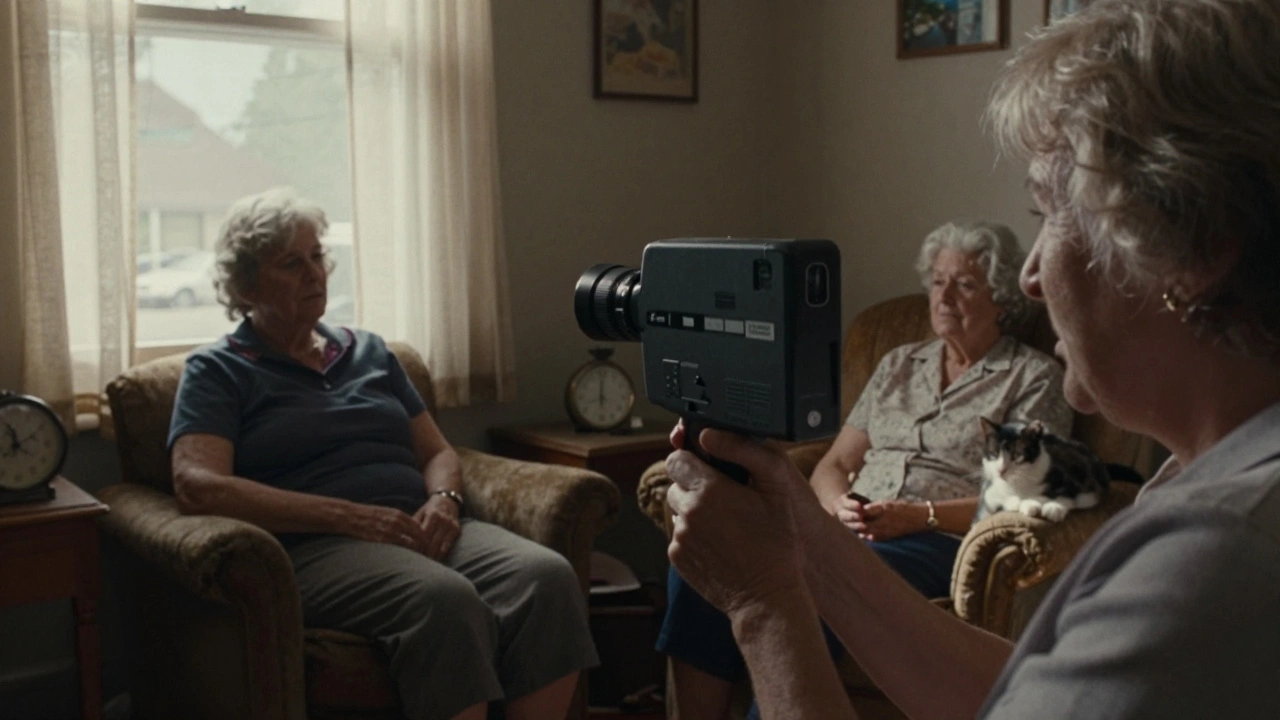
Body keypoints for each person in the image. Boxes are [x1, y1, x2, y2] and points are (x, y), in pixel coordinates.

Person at [664, 0, 1280, 718]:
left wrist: (764, 602)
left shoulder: (1215, 554)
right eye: (939, 281)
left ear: (1194, 252)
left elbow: (1016, 497)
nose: (1032, 276)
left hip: (925, 543)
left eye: (1050, 213)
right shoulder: (1213, 481)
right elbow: (1018, 699)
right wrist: (804, 529)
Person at [167, 188, 597, 720]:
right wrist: (346, 516)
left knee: (546, 577)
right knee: (443, 599)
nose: (314, 274)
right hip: (315, 546)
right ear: (246, 285)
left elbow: (438, 452)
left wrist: (444, 501)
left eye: (317, 256)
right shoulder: (217, 370)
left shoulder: (368, 351)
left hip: (413, 522)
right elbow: (198, 486)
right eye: (291, 263)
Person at [658, 221, 1073, 720]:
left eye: (964, 284)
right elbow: (835, 463)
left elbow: (1024, 496)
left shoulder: (1033, 377)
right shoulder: (899, 363)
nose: (944, 297)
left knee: (808, 588)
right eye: (938, 281)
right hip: (849, 527)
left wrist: (918, 515)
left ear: (1002, 299)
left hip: (937, 540)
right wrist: (837, 506)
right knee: (704, 563)